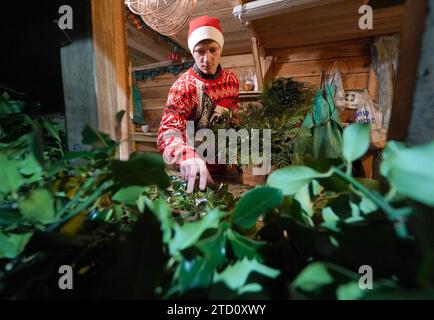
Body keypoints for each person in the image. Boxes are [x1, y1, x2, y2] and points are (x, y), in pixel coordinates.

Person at [157, 16, 240, 193]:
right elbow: (167, 133)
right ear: (192, 52)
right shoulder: (183, 87)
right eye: (199, 51)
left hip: (229, 167)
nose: (207, 58)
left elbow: (234, 116)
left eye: (212, 50)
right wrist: (185, 154)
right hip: (198, 172)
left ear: (221, 48)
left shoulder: (232, 80)